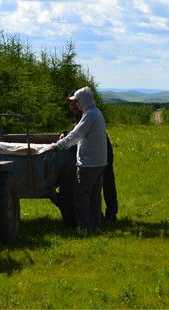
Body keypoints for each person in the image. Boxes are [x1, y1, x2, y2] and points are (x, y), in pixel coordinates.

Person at [52, 87, 107, 231]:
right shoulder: (97, 113)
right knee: (95, 197)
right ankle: (96, 225)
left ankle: (84, 227)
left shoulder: (89, 115)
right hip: (100, 162)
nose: (76, 104)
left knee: (81, 196)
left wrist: (59, 145)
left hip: (89, 163)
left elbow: (76, 135)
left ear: (83, 100)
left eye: (77, 101)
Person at [63, 94, 118, 223]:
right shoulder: (86, 113)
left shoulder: (88, 114)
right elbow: (76, 129)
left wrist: (62, 142)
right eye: (70, 105)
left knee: (107, 182)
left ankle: (110, 213)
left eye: (74, 104)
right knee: (95, 189)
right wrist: (66, 133)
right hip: (99, 150)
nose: (72, 107)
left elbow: (78, 133)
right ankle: (97, 217)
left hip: (101, 151)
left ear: (80, 102)